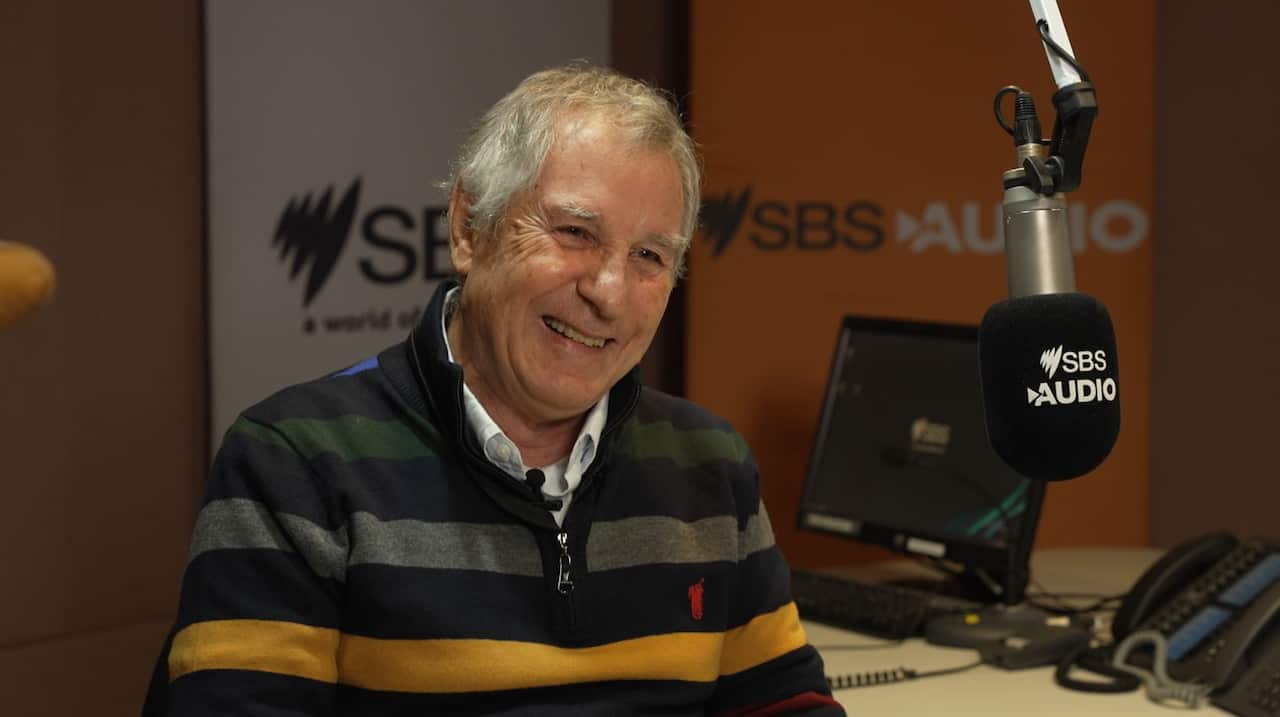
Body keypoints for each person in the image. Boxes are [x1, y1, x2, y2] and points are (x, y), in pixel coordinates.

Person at [145, 64, 842, 716]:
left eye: (650, 257)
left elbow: (785, 703)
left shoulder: (710, 467)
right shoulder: (293, 463)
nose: (608, 292)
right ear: (468, 229)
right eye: (574, 232)